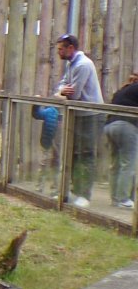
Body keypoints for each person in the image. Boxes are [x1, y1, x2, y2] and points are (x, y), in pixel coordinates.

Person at [54, 33, 103, 207]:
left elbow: (73, 94)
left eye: (61, 49)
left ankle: (85, 195)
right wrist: (60, 92)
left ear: (71, 48)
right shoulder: (71, 64)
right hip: (77, 114)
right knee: (72, 153)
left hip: (90, 115)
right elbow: (61, 86)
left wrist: (61, 94)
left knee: (86, 154)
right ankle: (74, 191)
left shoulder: (83, 65)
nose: (58, 52)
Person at [104, 72, 138, 209]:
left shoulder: (123, 90)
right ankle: (124, 199)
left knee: (115, 164)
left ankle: (115, 199)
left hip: (110, 126)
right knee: (128, 164)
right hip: (127, 126)